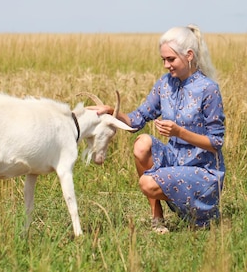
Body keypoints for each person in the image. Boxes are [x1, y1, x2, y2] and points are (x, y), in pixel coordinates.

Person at [90, 24, 226, 233]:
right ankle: (157, 217)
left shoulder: (208, 89)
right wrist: (111, 112)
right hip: (174, 159)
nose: (165, 65)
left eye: (170, 59)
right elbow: (137, 119)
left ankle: (199, 212)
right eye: (163, 60)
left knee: (146, 183)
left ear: (189, 55)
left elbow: (216, 143)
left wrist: (179, 132)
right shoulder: (165, 84)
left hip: (203, 170)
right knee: (142, 143)